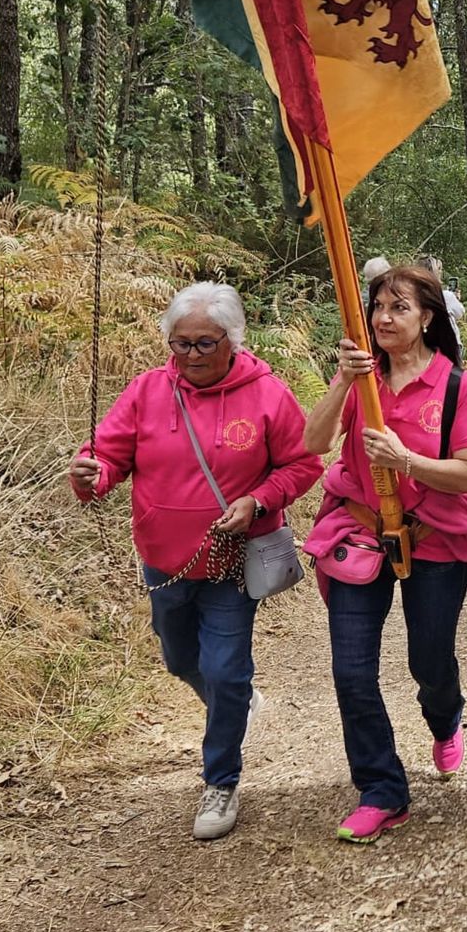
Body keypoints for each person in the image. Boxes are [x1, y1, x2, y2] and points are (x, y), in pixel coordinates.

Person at [67, 283, 323, 841]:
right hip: (164, 561)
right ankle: (233, 702)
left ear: (232, 340)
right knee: (183, 661)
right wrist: (92, 473)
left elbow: (304, 465)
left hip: (231, 564)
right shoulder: (146, 391)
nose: (190, 356)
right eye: (180, 344)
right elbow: (108, 455)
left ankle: (221, 780)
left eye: (204, 344)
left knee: (225, 668)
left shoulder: (267, 395)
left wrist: (257, 500)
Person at [302, 267, 467, 843]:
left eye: (398, 307)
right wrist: (341, 382)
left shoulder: (457, 387)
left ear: (427, 317)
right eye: (378, 306)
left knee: (429, 662)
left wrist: (406, 462)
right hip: (358, 533)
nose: (383, 318)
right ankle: (381, 790)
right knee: (351, 669)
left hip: (434, 540)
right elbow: (312, 444)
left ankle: (444, 716)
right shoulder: (361, 381)